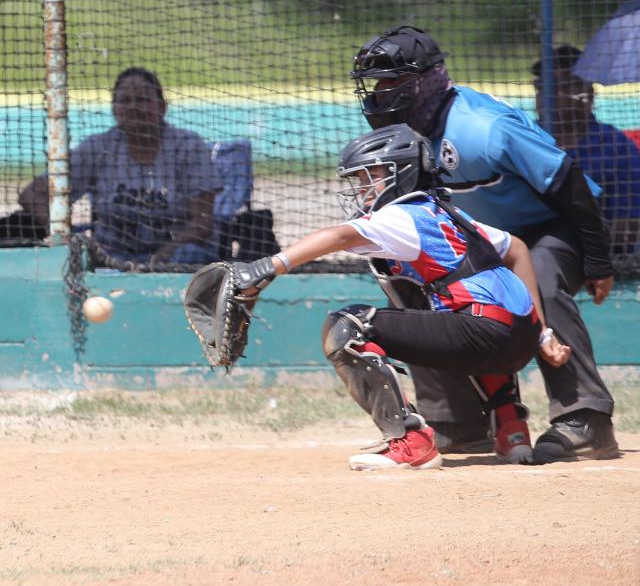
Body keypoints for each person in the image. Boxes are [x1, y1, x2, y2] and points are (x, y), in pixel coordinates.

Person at [226, 124, 571, 470]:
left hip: (484, 333)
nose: (362, 189)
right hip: (520, 338)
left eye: (370, 176)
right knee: (464, 311)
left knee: (346, 327)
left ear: (401, 174)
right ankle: (511, 429)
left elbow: (341, 236)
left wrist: (270, 265)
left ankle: (411, 441)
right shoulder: (446, 213)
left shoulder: (401, 215)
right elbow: (518, 250)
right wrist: (542, 333)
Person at [351, 25, 618, 462]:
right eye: (375, 86)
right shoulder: (401, 139)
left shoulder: (483, 127)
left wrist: (597, 261)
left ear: (425, 81)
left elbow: (567, 183)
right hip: (478, 244)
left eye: (393, 83)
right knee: (415, 285)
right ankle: (458, 422)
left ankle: (585, 417)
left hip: (546, 228)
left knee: (543, 279)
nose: (380, 95)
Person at [15, 67, 219, 265]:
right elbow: (31, 194)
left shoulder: (189, 146)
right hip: (111, 257)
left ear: (162, 106)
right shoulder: (99, 148)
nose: (133, 107)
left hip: (176, 255)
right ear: (114, 109)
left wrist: (161, 257)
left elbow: (202, 223)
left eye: (142, 100)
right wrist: (71, 237)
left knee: (191, 254)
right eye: (125, 101)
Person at [534, 44, 640, 256]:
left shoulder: (615, 148)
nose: (548, 94)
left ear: (587, 93)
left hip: (606, 259)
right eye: (541, 87)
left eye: (561, 85)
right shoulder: (525, 141)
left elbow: (629, 228)